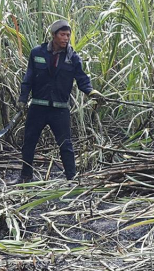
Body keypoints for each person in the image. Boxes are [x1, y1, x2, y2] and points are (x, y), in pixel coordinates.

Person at [17, 19, 104, 182]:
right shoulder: (37, 53)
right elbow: (28, 78)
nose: (66, 38)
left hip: (60, 109)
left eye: (68, 35)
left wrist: (92, 92)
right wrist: (22, 99)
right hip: (38, 107)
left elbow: (82, 80)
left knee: (66, 145)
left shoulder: (73, 58)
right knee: (29, 142)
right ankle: (25, 176)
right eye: (62, 35)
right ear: (53, 35)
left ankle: (72, 179)